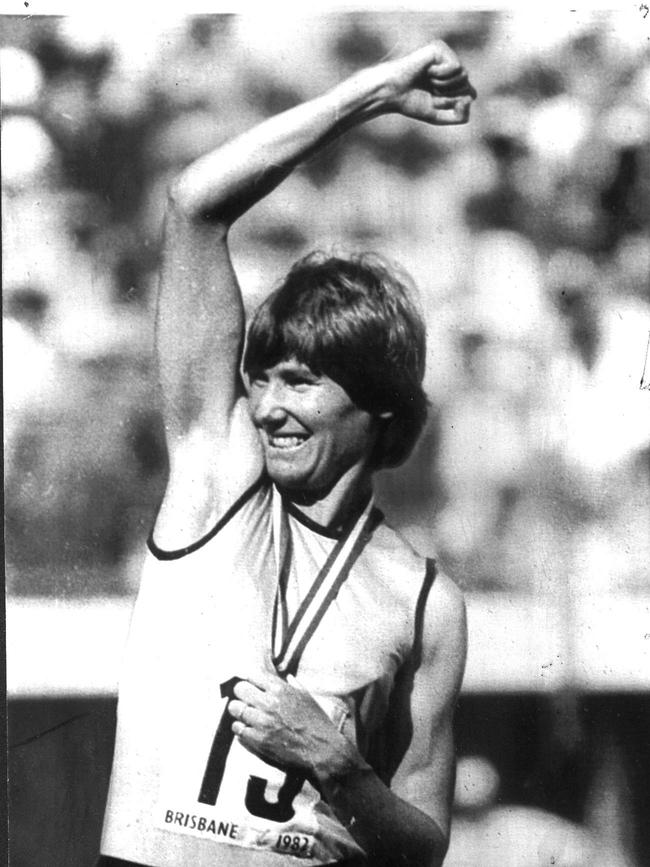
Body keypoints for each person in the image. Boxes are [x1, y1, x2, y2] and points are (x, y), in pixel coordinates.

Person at [99, 37, 475, 867]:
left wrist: (340, 769)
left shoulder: (425, 603)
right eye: (259, 377)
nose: (266, 407)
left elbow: (423, 848)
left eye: (299, 383)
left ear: (378, 406)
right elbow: (194, 201)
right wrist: (374, 92)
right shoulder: (217, 477)